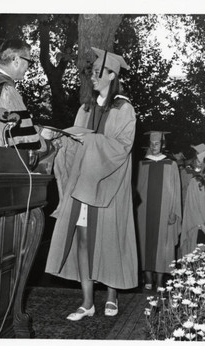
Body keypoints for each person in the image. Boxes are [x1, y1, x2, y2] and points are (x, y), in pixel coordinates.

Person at [44, 47, 137, 321]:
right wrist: (59, 138)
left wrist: (90, 139)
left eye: (98, 74)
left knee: (109, 239)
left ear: (112, 75)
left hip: (109, 184)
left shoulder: (124, 109)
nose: (93, 78)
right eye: (92, 74)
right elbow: (75, 145)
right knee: (83, 240)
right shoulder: (85, 108)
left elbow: (121, 147)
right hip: (83, 184)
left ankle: (111, 295)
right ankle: (87, 301)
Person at [136, 131, 182, 290]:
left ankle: (160, 280)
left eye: (157, 144)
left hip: (164, 211)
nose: (153, 146)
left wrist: (173, 212)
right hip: (144, 211)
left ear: (163, 145)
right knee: (145, 242)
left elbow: (176, 190)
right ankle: (148, 278)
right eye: (151, 144)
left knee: (164, 243)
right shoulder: (143, 164)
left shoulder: (171, 164)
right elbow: (138, 189)